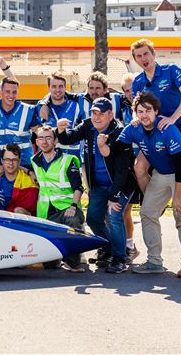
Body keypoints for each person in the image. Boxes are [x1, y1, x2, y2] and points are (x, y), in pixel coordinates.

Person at [118, 91, 181, 278]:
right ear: (135, 113)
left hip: (180, 175)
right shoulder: (134, 127)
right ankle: (154, 261)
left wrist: (178, 197)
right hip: (161, 175)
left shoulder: (167, 128)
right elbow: (116, 149)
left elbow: (180, 165)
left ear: (156, 111)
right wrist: (103, 145)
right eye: (140, 111)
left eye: (148, 110)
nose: (144, 115)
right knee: (147, 212)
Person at [57, 97, 137, 273]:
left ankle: (120, 257)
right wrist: (61, 130)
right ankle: (108, 249)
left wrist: (114, 196)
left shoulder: (120, 132)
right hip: (98, 185)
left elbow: (122, 170)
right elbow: (67, 138)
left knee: (114, 215)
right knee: (93, 218)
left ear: (110, 114)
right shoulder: (88, 126)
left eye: (101, 113)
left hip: (121, 184)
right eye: (94, 113)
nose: (96, 117)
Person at [130, 38, 181, 223]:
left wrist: (172, 119)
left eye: (146, 53)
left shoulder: (172, 70)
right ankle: (153, 203)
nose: (143, 58)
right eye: (139, 56)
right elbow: (135, 108)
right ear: (135, 60)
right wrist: (135, 120)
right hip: (156, 129)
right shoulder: (138, 81)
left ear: (153, 54)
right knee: (139, 167)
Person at [30, 125, 87, 273]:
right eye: (41, 138)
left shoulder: (68, 160)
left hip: (67, 209)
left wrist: (73, 205)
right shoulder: (34, 161)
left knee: (73, 220)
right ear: (37, 142)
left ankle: (74, 261)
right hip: (46, 214)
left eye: (48, 138)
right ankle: (58, 258)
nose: (45, 142)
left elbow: (78, 187)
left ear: (55, 141)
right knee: (49, 265)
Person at [0, 77, 40, 170]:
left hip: (24, 163)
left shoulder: (27, 110)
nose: (11, 95)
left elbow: (40, 132)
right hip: (0, 164)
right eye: (7, 91)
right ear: (1, 92)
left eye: (14, 92)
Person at [38, 72, 84, 159]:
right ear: (48, 88)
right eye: (54, 86)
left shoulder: (76, 105)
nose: (57, 90)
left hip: (72, 156)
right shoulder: (41, 107)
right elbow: (36, 129)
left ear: (65, 88)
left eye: (60, 86)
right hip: (50, 157)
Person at [120, 71, 140, 262]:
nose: (130, 94)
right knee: (124, 210)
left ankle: (132, 246)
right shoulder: (120, 106)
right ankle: (129, 246)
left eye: (132, 90)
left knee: (145, 211)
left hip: (144, 166)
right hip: (126, 166)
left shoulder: (147, 108)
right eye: (126, 91)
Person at [0, 143, 39, 215]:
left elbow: (33, 213)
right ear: (2, 161)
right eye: (7, 159)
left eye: (14, 160)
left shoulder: (30, 182)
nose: (11, 163)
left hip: (19, 223)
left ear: (19, 161)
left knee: (19, 211)